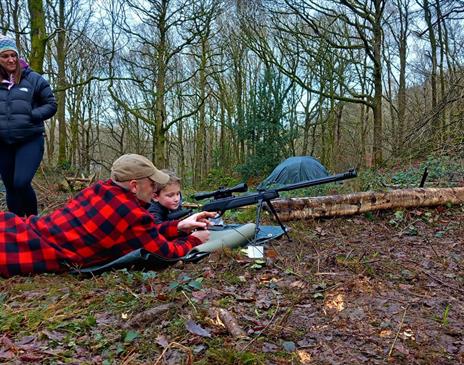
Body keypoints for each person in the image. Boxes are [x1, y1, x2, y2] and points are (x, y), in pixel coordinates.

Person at [0, 154, 215, 277]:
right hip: (19, 249)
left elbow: (137, 234)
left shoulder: (98, 189)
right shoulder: (130, 213)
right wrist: (194, 239)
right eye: (151, 184)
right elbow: (166, 253)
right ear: (133, 185)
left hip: (20, 227)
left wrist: (177, 227)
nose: (154, 188)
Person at [0, 35, 57, 217]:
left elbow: (51, 103)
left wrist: (33, 115)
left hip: (29, 139)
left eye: (13, 55)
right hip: (3, 143)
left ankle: (34, 223)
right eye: (5, 56)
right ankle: (17, 227)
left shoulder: (33, 78)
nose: (11, 59)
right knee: (10, 186)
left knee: (21, 182)